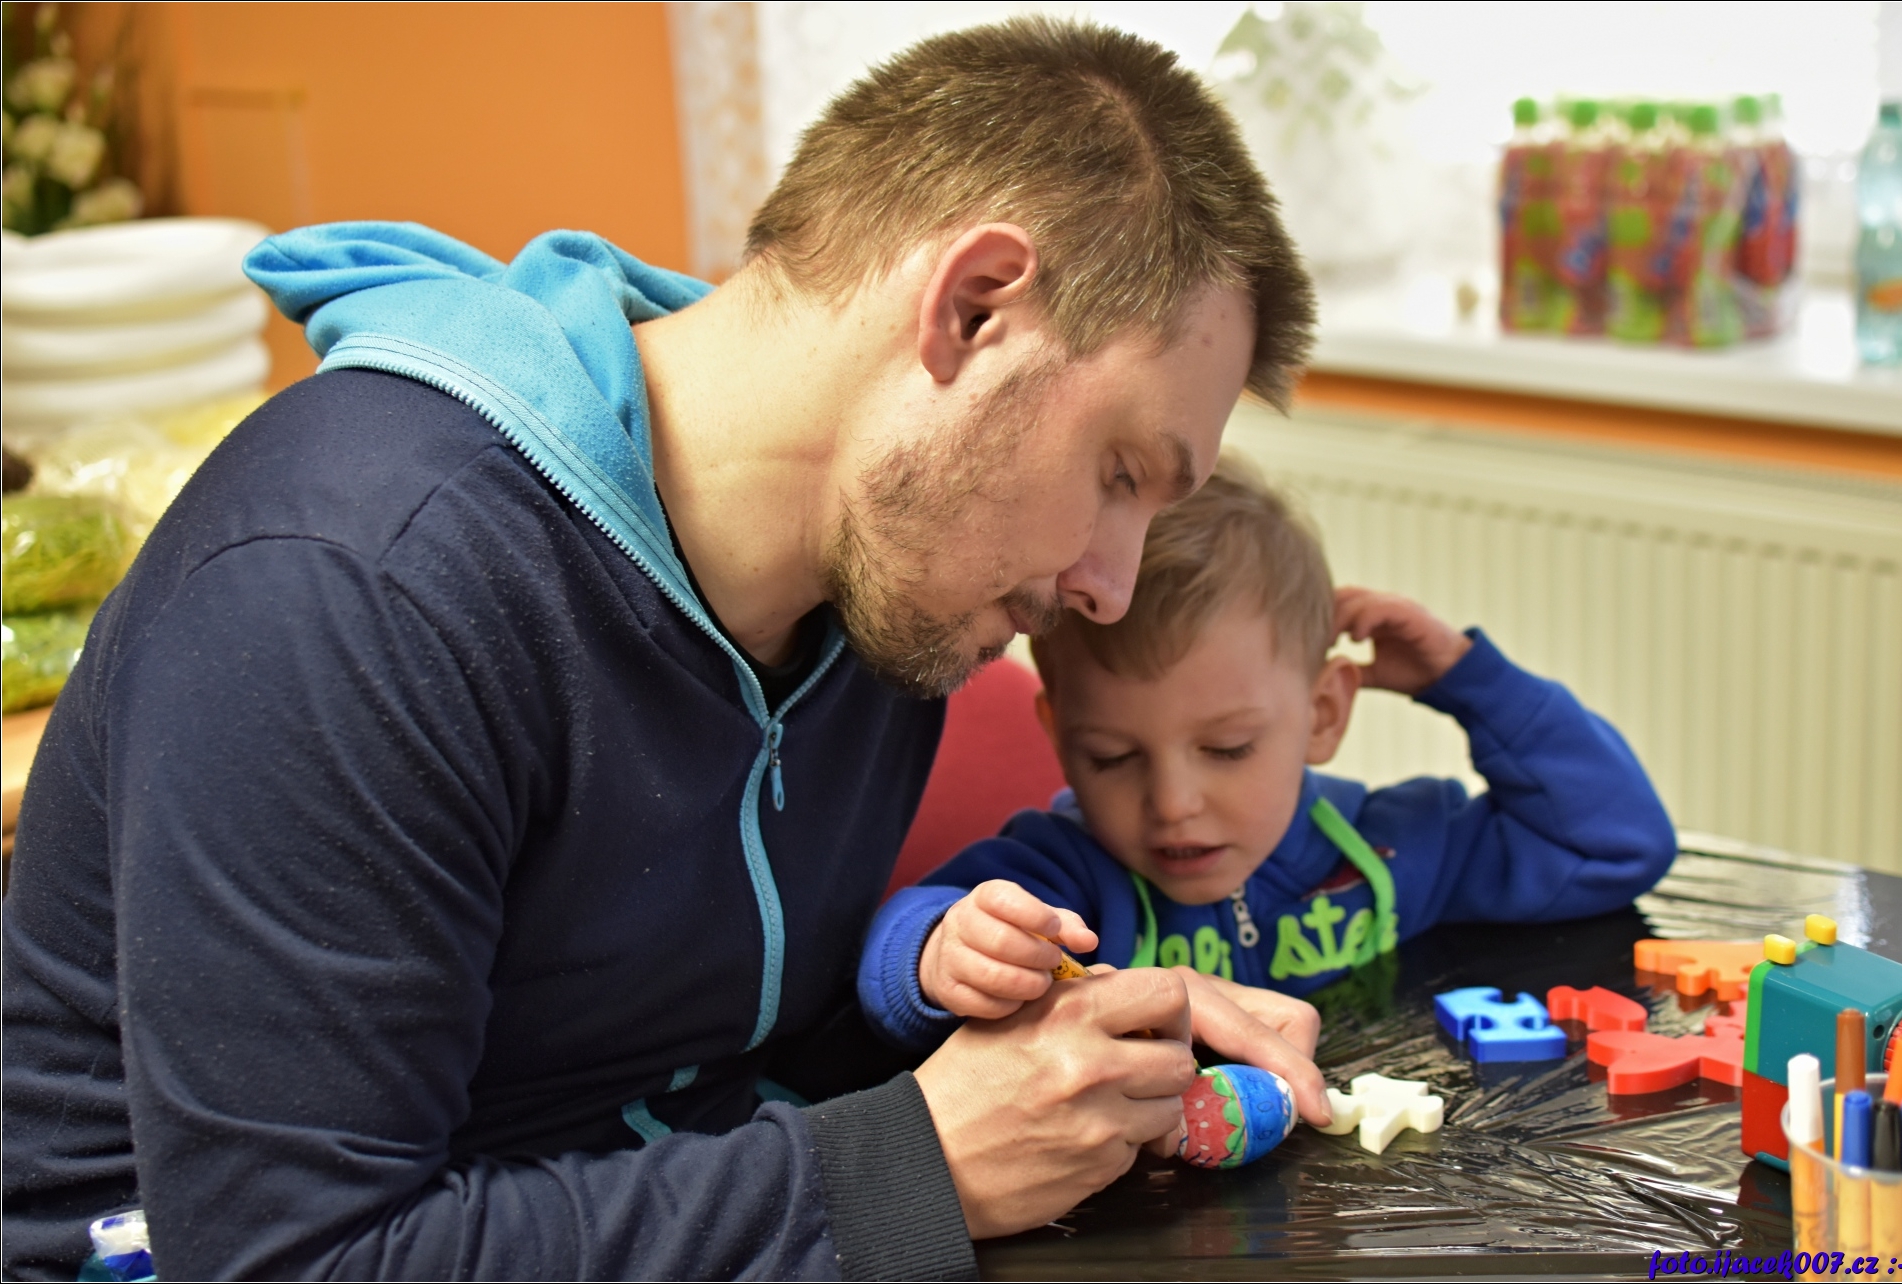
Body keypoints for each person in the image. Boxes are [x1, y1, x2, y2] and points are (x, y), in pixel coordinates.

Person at [2, 19, 1330, 1283]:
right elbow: (301, 1258)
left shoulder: (889, 592)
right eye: (1119, 473)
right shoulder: (356, 581)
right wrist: (917, 1162)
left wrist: (1067, 1055)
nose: (1109, 586)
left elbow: (710, 1061)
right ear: (975, 310)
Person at [859, 459, 1676, 1051]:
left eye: (1228, 748)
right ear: (1059, 734)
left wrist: (1470, 681)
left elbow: (1611, 846)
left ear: (1322, 714)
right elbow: (896, 948)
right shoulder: (1063, 879)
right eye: (1111, 756)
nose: (1173, 803)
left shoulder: (1391, 851)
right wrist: (945, 948)